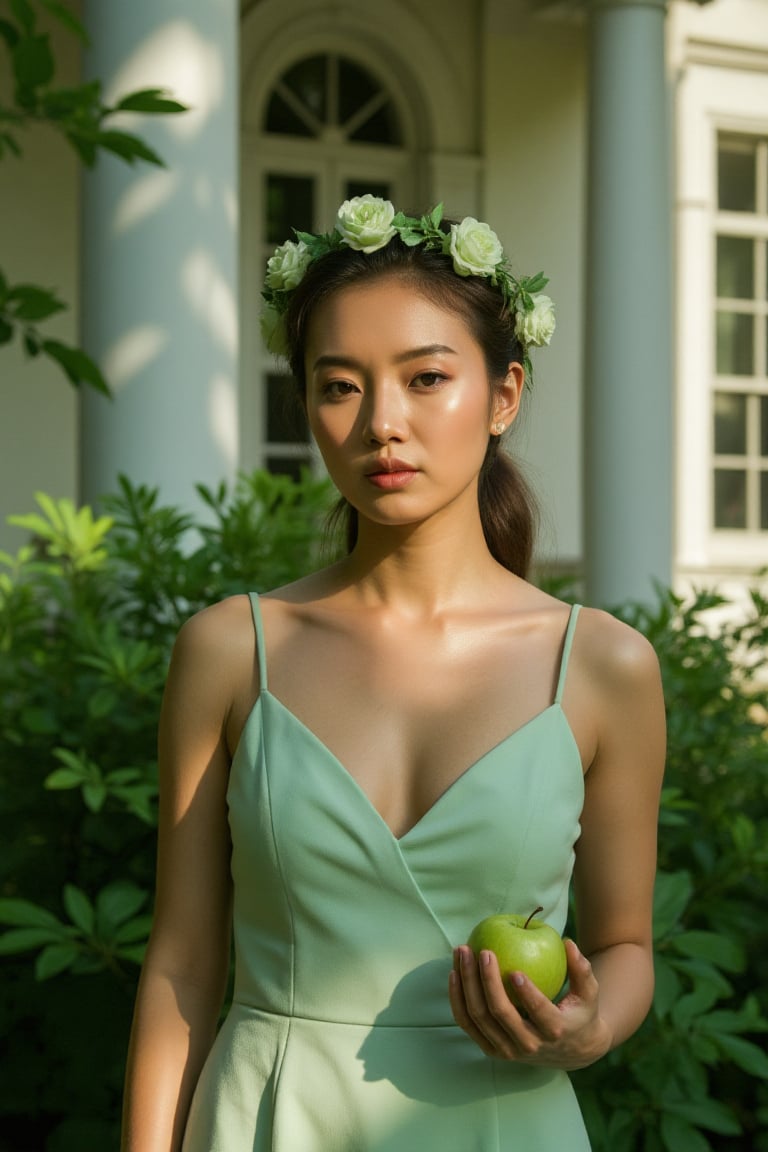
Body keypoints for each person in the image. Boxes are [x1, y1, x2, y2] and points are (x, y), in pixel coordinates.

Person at [120, 195, 666, 1151]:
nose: (382, 424)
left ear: (504, 394)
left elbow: (626, 946)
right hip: (270, 1118)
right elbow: (184, 960)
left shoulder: (604, 667)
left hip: (506, 1121)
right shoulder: (229, 651)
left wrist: (593, 1027)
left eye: (425, 378)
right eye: (340, 386)